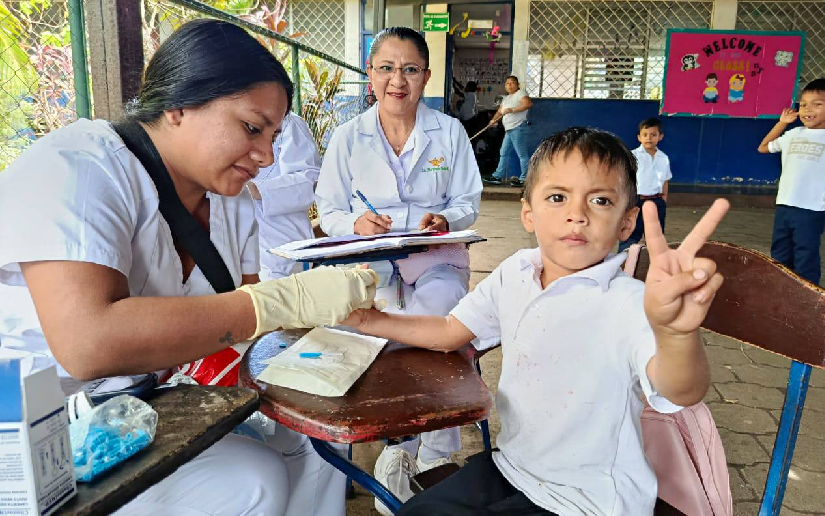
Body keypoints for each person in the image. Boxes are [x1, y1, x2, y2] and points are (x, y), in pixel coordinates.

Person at [0, 19, 378, 515]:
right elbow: (87, 345)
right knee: (252, 482)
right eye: (251, 127)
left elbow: (243, 328)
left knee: (315, 449)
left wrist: (335, 345)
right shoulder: (80, 168)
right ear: (178, 104)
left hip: (130, 412)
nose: (266, 155)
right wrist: (280, 301)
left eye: (274, 136)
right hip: (37, 442)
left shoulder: (231, 202)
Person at [342, 127, 730, 515]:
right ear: (528, 213)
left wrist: (676, 334)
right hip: (513, 468)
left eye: (599, 200)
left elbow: (681, 391)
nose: (577, 215)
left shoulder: (628, 301)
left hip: (588, 501)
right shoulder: (517, 272)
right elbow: (448, 332)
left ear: (626, 224)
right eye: (558, 197)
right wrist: (370, 320)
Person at [314, 26, 483, 515]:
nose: (397, 81)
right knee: (376, 334)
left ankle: (422, 455)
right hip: (368, 254)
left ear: (426, 77)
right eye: (386, 68)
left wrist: (446, 218)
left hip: (436, 254)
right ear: (370, 75)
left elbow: (468, 200)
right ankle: (396, 441)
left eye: (410, 69)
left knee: (440, 325)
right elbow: (327, 210)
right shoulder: (348, 138)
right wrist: (354, 221)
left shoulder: (448, 133)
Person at [758, 78, 825, 285]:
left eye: (817, 104)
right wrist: (782, 123)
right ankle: (779, 289)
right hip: (785, 203)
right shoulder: (793, 134)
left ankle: (807, 296)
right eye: (803, 104)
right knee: (780, 251)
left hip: (812, 208)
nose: (807, 109)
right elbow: (763, 147)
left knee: (805, 253)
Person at [248, 112, 320, 280]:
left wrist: (259, 191)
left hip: (281, 253)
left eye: (273, 138)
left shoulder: (288, 122)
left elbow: (311, 181)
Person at [618, 117, 671, 252]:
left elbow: (665, 180)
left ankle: (653, 263)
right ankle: (623, 262)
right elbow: (625, 179)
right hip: (636, 200)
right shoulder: (632, 156)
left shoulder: (663, 158)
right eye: (645, 135)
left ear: (660, 137)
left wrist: (663, 201)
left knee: (655, 235)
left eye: (654, 135)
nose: (649, 138)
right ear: (639, 137)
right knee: (630, 232)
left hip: (656, 201)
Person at [487, 75, 532, 187]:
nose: (509, 85)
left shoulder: (520, 94)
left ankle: (524, 179)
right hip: (509, 130)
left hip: (517, 128)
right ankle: (498, 176)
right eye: (507, 83)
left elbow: (528, 104)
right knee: (504, 152)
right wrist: (493, 120)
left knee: (522, 154)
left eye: (512, 83)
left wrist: (512, 110)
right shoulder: (506, 98)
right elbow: (499, 112)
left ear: (517, 85)